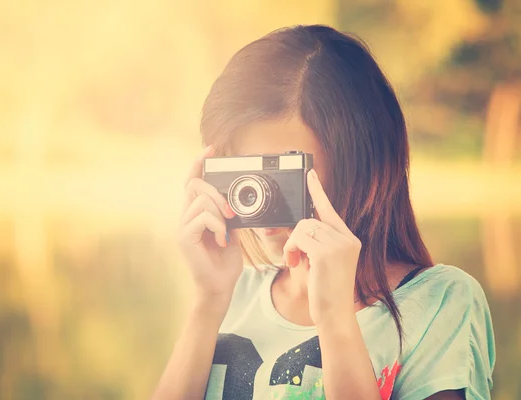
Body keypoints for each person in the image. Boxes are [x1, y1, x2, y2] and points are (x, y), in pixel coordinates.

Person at [152, 25, 495, 400]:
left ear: (362, 166)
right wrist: (208, 299)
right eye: (247, 175)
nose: (262, 201)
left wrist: (334, 317)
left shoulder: (440, 303)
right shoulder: (232, 292)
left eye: (285, 176)